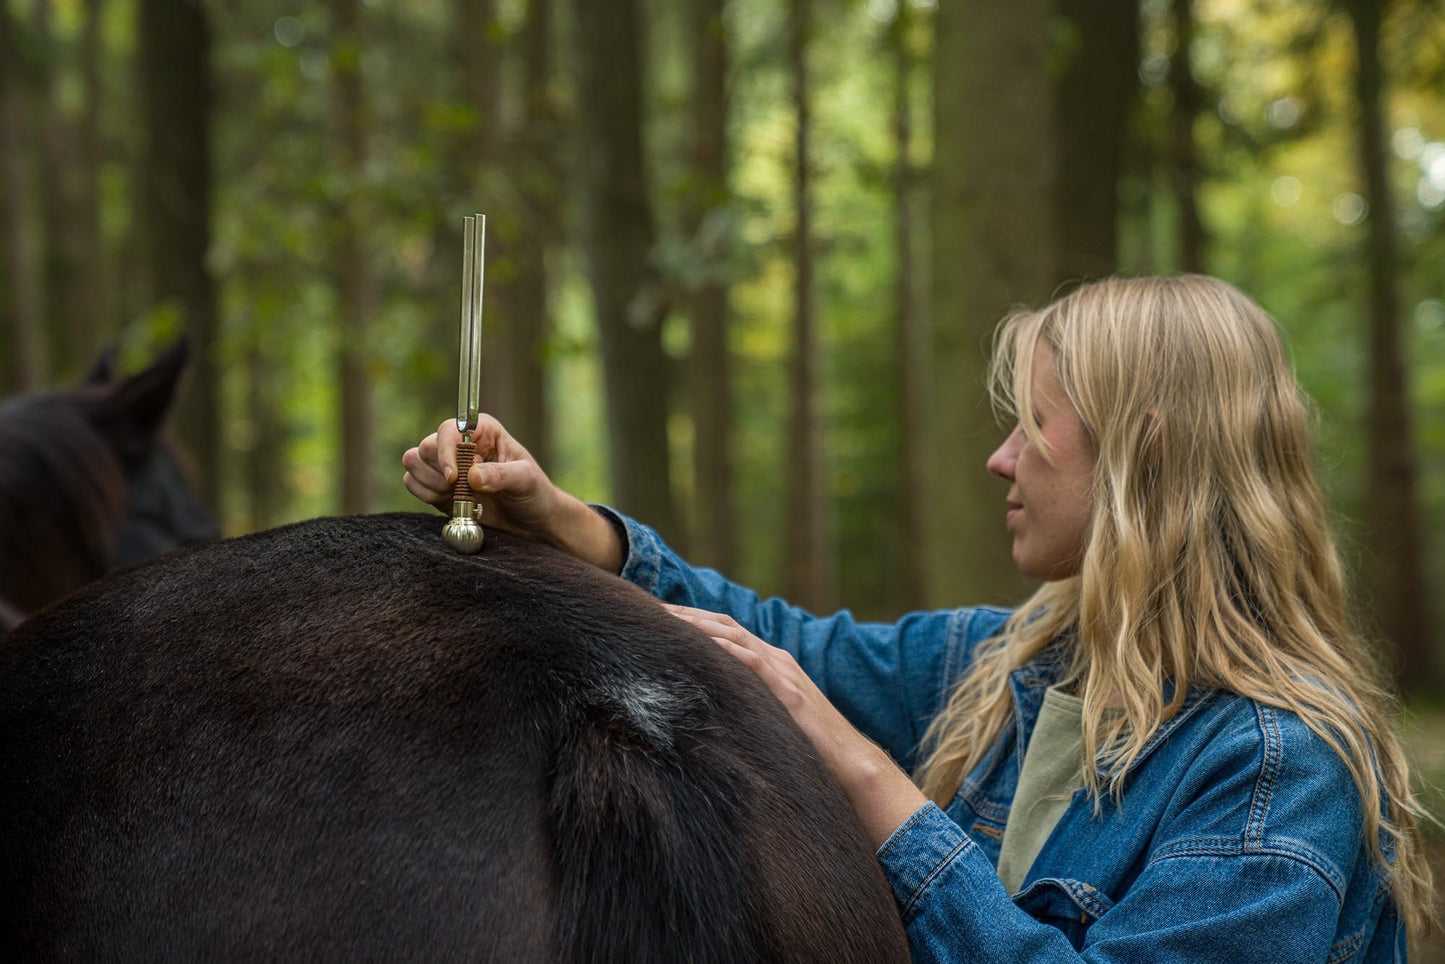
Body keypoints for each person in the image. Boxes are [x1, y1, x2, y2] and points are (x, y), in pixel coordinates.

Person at [403, 274, 1434, 961]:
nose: (999, 458)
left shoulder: (1273, 767)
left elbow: (817, 708)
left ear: (1145, 452)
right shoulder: (1013, 660)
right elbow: (785, 646)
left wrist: (864, 775)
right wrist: (563, 522)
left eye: (1032, 425)